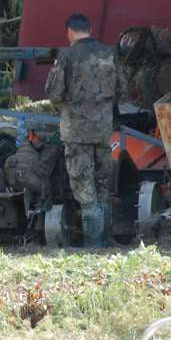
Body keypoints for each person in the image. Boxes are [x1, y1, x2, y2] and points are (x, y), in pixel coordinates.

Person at [45, 13, 120, 248]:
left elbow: (54, 92)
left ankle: (94, 244)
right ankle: (106, 239)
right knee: (103, 186)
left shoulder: (66, 56)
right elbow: (123, 88)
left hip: (76, 132)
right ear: (89, 29)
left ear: (69, 32)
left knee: (84, 187)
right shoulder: (109, 54)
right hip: (103, 131)